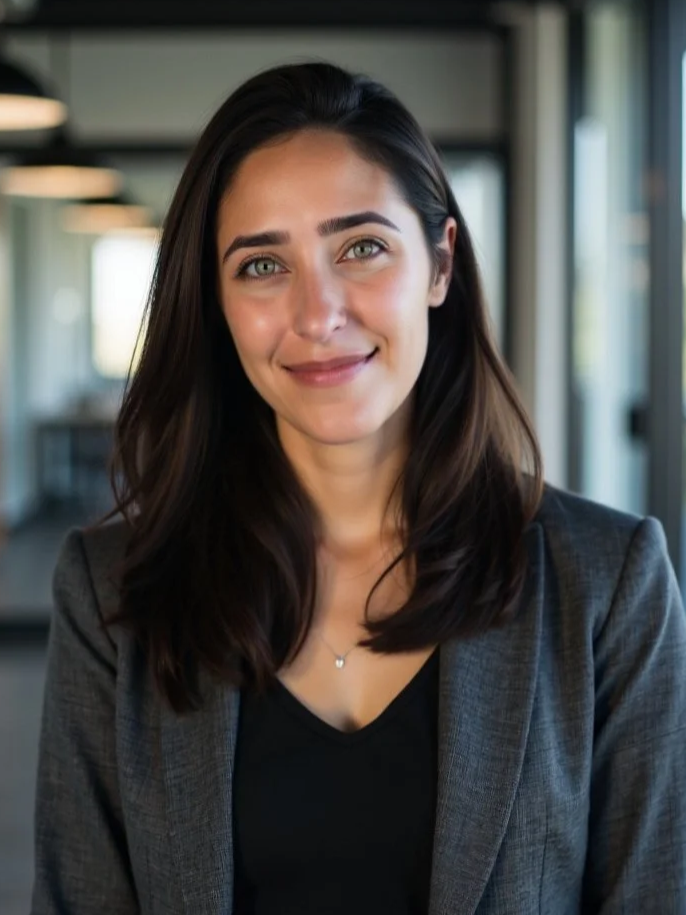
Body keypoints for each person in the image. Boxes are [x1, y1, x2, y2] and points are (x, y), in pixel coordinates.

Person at [31, 62, 685, 915]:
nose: (317, 312)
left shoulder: (607, 583)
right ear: (217, 304)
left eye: (362, 247)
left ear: (441, 265)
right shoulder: (112, 592)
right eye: (262, 265)